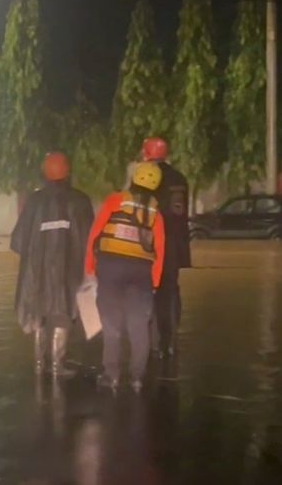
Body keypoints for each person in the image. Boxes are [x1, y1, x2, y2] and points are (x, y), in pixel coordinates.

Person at [11, 152, 94, 378]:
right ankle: (58, 366)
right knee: (62, 315)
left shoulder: (34, 201)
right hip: (68, 274)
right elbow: (90, 240)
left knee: (39, 317)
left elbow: (17, 242)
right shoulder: (80, 201)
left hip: (36, 276)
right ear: (68, 172)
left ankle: (39, 365)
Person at [85, 162, 165, 392]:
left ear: (134, 180)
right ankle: (137, 378)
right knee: (139, 327)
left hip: (110, 270)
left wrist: (89, 267)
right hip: (141, 274)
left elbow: (94, 235)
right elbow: (160, 251)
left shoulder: (114, 200)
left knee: (112, 325)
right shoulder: (156, 214)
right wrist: (155, 283)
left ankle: (112, 376)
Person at [142, 137, 191, 358]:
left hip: (151, 244)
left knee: (150, 291)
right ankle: (170, 343)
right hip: (175, 244)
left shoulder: (145, 179)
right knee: (171, 291)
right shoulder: (179, 178)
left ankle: (154, 345)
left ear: (147, 154)